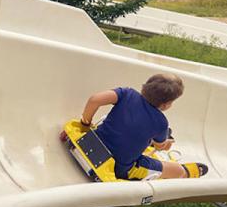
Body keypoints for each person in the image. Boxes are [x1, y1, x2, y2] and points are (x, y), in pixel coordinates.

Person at [78, 73, 207, 181]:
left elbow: (95, 100)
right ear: (166, 104)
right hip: (119, 167)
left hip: (92, 143)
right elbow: (159, 146)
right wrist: (166, 142)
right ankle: (186, 173)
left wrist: (85, 123)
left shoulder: (126, 93)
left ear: (145, 86)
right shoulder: (161, 122)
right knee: (177, 170)